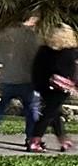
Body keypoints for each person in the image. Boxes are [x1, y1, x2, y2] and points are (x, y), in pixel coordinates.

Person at [0, 17, 42, 146]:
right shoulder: (30, 36)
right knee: (31, 109)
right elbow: (34, 56)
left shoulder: (5, 34)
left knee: (1, 108)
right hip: (25, 78)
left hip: (7, 76)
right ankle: (30, 138)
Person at [26, 24, 77, 153]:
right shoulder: (69, 51)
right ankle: (35, 140)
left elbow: (36, 68)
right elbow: (71, 71)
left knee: (53, 112)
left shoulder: (44, 49)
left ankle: (63, 139)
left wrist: (38, 83)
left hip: (44, 85)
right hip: (61, 87)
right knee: (49, 113)